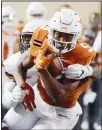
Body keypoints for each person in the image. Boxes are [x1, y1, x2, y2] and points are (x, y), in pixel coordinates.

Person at [3, 8, 98, 130]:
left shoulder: (81, 53)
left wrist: (42, 70)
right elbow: (20, 65)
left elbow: (60, 96)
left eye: (68, 36)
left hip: (61, 112)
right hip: (38, 97)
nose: (61, 41)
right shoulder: (41, 35)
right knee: (6, 126)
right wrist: (23, 86)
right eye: (59, 34)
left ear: (76, 36)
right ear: (50, 31)